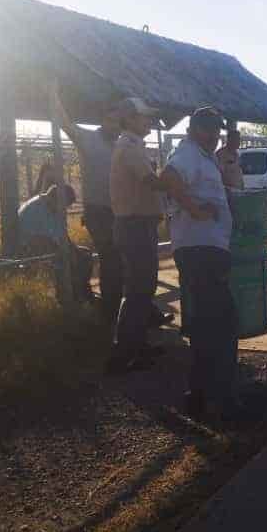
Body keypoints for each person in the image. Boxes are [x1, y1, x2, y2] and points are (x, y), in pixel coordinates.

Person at [55, 93, 173, 328]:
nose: (115, 123)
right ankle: (112, 317)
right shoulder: (88, 139)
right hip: (100, 211)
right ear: (102, 119)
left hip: (122, 211)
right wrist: (54, 92)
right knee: (112, 264)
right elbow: (64, 123)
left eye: (117, 119)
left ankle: (137, 316)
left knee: (131, 266)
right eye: (111, 118)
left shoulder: (124, 143)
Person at [161, 106, 237, 418]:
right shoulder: (189, 154)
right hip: (200, 250)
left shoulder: (201, 155)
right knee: (221, 323)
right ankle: (214, 398)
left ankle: (201, 395)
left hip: (206, 249)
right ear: (195, 129)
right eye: (211, 129)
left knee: (211, 322)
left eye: (217, 129)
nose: (216, 135)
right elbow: (169, 178)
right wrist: (194, 209)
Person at [106, 97, 172, 374]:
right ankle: (123, 354)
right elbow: (151, 182)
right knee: (137, 291)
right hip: (134, 226)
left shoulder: (133, 146)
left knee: (142, 290)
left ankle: (136, 347)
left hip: (138, 226)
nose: (149, 121)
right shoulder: (129, 147)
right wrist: (177, 178)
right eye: (144, 117)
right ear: (130, 119)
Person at [16, 183, 94, 302]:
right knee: (64, 256)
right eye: (65, 205)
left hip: (51, 246)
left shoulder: (53, 208)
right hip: (30, 248)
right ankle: (67, 294)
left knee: (85, 254)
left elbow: (62, 235)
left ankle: (80, 291)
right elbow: (36, 239)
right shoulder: (34, 208)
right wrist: (65, 250)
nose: (65, 209)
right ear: (57, 199)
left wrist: (72, 249)